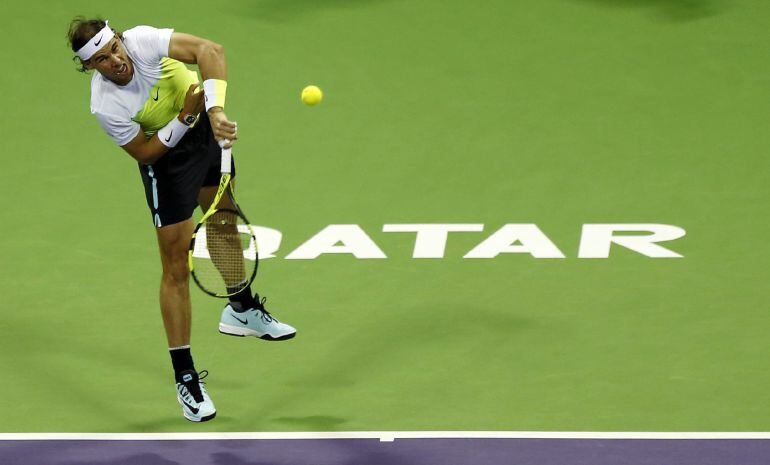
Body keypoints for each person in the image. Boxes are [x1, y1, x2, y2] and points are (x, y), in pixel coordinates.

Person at [66, 17, 297, 423]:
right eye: (101, 60)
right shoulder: (105, 104)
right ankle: (185, 376)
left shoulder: (143, 41)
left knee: (223, 221)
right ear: (90, 67)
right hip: (167, 163)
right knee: (175, 267)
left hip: (205, 135)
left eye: (114, 49)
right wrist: (188, 115)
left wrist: (216, 111)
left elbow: (212, 51)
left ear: (121, 40)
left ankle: (240, 308)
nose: (115, 61)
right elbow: (145, 153)